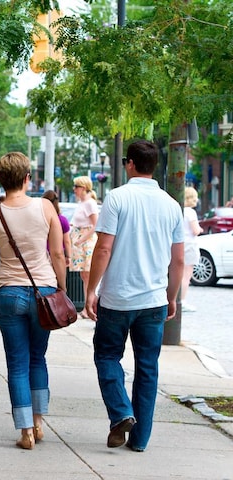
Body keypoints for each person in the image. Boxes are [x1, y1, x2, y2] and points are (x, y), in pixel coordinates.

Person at [85, 140, 184, 453]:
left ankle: (120, 412)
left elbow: (103, 247)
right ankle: (140, 440)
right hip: (153, 301)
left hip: (117, 298)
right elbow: (179, 259)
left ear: (129, 164)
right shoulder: (172, 205)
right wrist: (172, 296)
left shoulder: (117, 198)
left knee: (106, 355)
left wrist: (91, 290)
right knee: (148, 368)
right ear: (155, 166)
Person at [0, 152, 67, 450]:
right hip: (43, 291)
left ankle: (25, 431)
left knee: (16, 364)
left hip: (7, 293)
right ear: (28, 177)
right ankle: (40, 423)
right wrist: (62, 288)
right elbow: (57, 254)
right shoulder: (45, 207)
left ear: (1, 180)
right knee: (37, 358)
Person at [70, 176, 99, 318]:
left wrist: (81, 239)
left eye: (76, 186)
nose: (74, 189)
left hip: (86, 242)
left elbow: (95, 224)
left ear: (83, 188)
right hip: (80, 241)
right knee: (84, 275)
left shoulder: (89, 203)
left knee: (88, 274)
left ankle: (89, 307)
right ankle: (86, 307)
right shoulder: (82, 203)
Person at [181, 187, 203, 312]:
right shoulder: (191, 212)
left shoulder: (180, 210)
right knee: (186, 276)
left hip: (180, 244)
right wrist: (200, 230)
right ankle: (182, 301)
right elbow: (195, 230)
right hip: (189, 245)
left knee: (178, 274)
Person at [42, 190, 72, 267]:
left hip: (42, 256)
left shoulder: (40, 218)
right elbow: (67, 241)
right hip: (58, 256)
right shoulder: (62, 220)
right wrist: (69, 256)